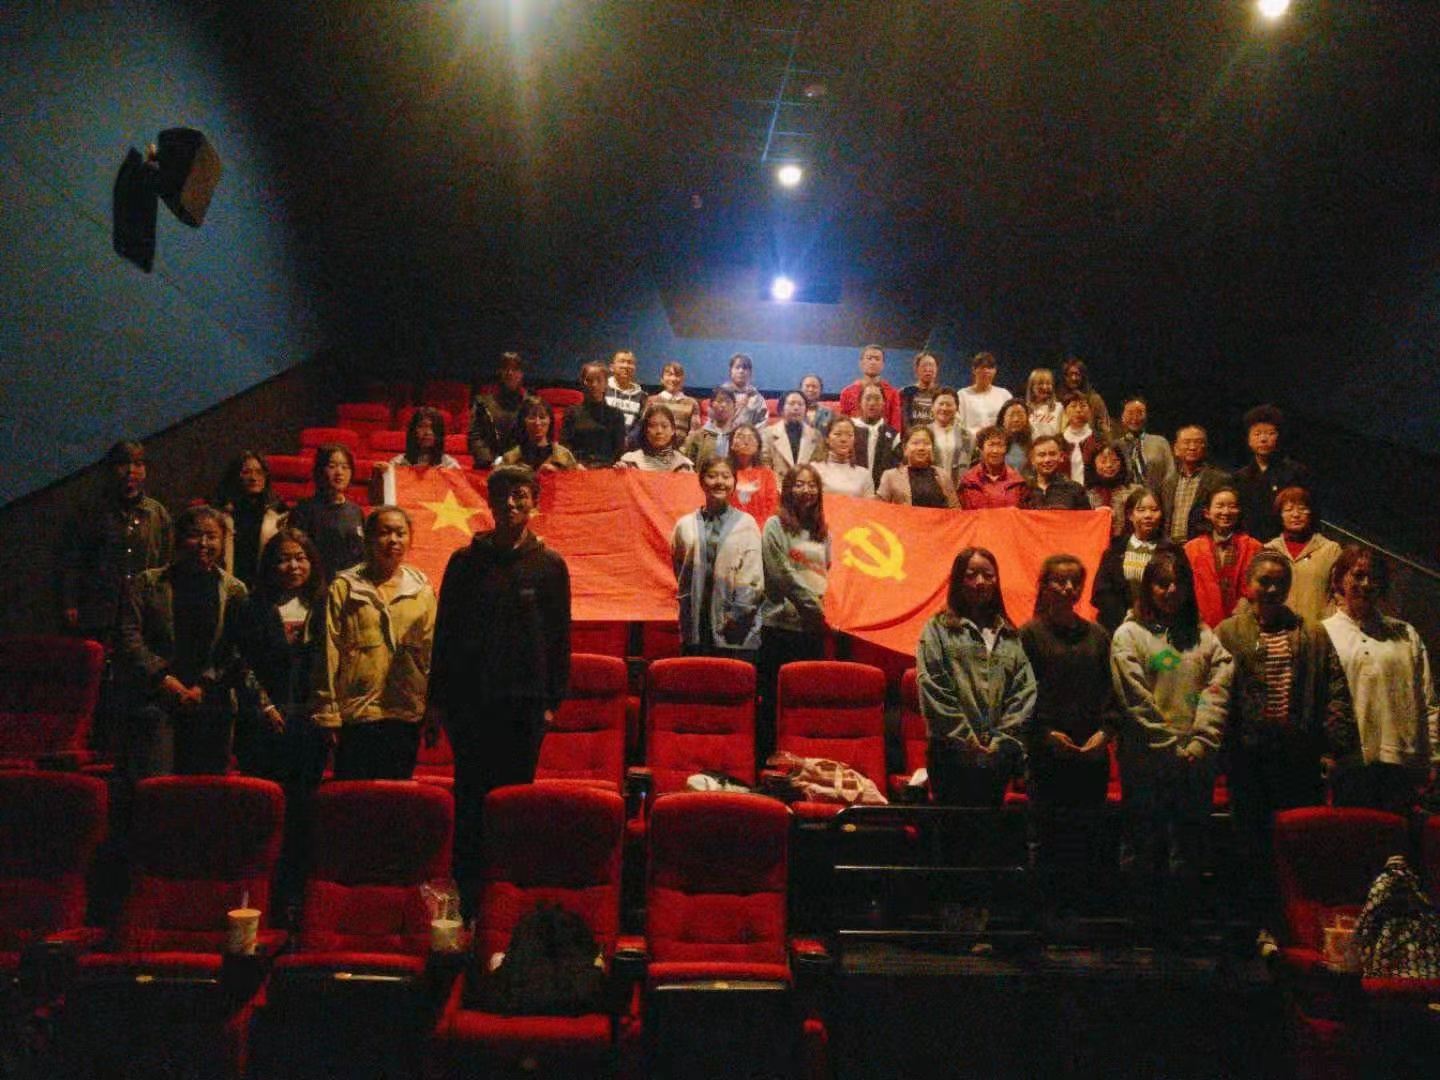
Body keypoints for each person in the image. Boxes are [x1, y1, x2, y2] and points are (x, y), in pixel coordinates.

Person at [426, 465, 570, 912]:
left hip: (523, 707)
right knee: (470, 799)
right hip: (469, 705)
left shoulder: (550, 566)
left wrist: (552, 702)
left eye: (520, 495)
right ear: (489, 502)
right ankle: (467, 903)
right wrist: (437, 702)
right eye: (503, 495)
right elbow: (445, 633)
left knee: (513, 801)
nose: (511, 503)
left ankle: (507, 901)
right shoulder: (464, 562)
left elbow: (559, 638)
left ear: (534, 503)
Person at [1215, 552, 1352, 938]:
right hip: (1248, 759)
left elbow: (1336, 692)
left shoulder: (1311, 633)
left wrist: (1332, 748)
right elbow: (1213, 694)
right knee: (1251, 844)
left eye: (1280, 582)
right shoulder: (1228, 633)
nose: (1272, 588)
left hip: (1297, 759)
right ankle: (1253, 928)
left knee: (1294, 847)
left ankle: (1292, 928)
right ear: (1248, 585)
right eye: (1264, 581)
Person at [1110, 549, 1233, 945]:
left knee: (1188, 848)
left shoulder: (1203, 636)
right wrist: (1167, 744)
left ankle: (1180, 931)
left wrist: (1200, 741)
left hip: (1195, 761)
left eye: (1178, 584)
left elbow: (1217, 689)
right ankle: (1142, 931)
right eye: (1162, 584)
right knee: (1144, 844)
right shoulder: (1129, 635)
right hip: (1146, 760)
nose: (1171, 591)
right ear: (1148, 587)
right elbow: (1135, 699)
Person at [117, 505, 270, 781]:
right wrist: (165, 679)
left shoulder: (235, 590)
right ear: (179, 539)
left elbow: (236, 648)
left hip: (212, 700)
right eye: (195, 535)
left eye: (211, 536)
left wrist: (204, 685)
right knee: (156, 786)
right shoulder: (147, 583)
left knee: (206, 790)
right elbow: (129, 637)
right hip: (156, 698)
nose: (203, 543)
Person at [234, 528, 330, 911]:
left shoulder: (325, 605)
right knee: (265, 816)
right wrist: (264, 706)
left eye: (300, 558)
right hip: (263, 727)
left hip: (310, 726)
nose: (293, 566)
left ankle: (297, 901)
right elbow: (240, 661)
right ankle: (260, 899)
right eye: (284, 559)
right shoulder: (252, 605)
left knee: (304, 814)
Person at [314, 506, 436, 781]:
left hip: (405, 715)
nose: (393, 540)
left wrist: (432, 710)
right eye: (384, 533)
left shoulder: (422, 591)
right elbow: (328, 652)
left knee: (396, 798)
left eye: (400, 533)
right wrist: (327, 712)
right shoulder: (344, 588)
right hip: (358, 715)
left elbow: (431, 654)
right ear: (368, 539)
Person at [1021, 555, 1116, 902]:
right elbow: (1022, 693)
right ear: (1044, 586)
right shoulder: (1029, 634)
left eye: (1075, 582)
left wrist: (1105, 733)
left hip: (1091, 754)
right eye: (1059, 581)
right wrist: (1045, 734)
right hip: (1046, 755)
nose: (1068, 588)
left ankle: (1082, 914)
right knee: (1048, 840)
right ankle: (1047, 914)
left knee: (1087, 839)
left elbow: (1111, 691)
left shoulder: (1098, 636)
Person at [1322, 546, 1439, 813]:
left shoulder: (1405, 634)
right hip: (1348, 764)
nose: (1366, 584)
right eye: (1358, 575)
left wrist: (1432, 756)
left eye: (1374, 578)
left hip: (1400, 761)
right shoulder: (1324, 634)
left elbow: (1427, 701)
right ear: (1340, 579)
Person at [917, 547, 1036, 806]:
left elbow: (1024, 692)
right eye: (971, 575)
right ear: (958, 580)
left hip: (997, 759)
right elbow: (933, 687)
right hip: (951, 756)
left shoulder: (1009, 635)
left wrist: (1000, 742)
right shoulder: (937, 629)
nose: (980, 582)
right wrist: (968, 741)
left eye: (988, 575)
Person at [59, 439, 172, 646]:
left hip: (144, 613)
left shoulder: (157, 514)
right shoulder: (92, 512)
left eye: (138, 464)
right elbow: (74, 560)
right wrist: (70, 602)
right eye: (123, 464)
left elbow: (166, 563)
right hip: (101, 610)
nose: (131, 471)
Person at [758, 464, 830, 763]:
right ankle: (769, 764)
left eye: (812, 485)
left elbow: (825, 573)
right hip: (778, 628)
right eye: (799, 484)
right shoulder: (774, 525)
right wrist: (815, 608)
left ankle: (803, 762)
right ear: (788, 489)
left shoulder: (822, 531)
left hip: (810, 631)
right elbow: (781, 575)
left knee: (806, 702)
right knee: (773, 701)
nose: (806, 490)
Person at [671, 455, 763, 660]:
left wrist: (735, 617)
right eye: (712, 476)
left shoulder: (747, 524)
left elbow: (753, 579)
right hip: (695, 626)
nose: (719, 482)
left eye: (726, 476)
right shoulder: (684, 525)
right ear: (701, 481)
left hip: (736, 632)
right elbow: (680, 571)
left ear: (734, 482)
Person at [1091, 488, 1178, 633]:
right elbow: (1100, 593)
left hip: (1162, 627)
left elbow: (1181, 592)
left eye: (1154, 510)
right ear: (1130, 515)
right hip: (1118, 626)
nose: (1148, 515)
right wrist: (1127, 617)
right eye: (1141, 510)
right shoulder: (1115, 549)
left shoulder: (1173, 551)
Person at [1233, 404, 1315, 542]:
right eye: (1257, 434)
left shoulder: (1296, 472)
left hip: (1287, 542)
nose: (1263, 439)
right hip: (1250, 543)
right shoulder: (1240, 477)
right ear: (1249, 440)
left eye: (1270, 433)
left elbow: (1310, 512)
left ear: (1279, 437)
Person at [1184, 486, 1262, 629]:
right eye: (1220, 506)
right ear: (1207, 513)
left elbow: (1257, 589)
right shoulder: (1191, 549)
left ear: (1239, 511)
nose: (1226, 512)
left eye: (1232, 506)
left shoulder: (1254, 547)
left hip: (1243, 626)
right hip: (1201, 626)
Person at [287, 443, 365, 582]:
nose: (339, 472)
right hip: (318, 583)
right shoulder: (303, 510)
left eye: (345, 467)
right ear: (320, 471)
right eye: (332, 466)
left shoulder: (356, 511)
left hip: (353, 583)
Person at [1262, 486, 1339, 626]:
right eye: (1288, 510)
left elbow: (1341, 595)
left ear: (1311, 513)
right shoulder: (1269, 550)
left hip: (1320, 631)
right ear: (1280, 515)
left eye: (1302, 509)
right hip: (1278, 632)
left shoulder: (1331, 550)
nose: (1296, 514)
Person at [216, 450, 287, 589]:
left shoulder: (278, 511)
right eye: (246, 472)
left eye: (259, 472)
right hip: (228, 584)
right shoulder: (220, 513)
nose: (254, 478)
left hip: (265, 585)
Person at [1160, 424, 1229, 543]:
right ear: (1176, 449)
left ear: (1205, 447)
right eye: (1186, 442)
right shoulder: (1168, 482)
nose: (1192, 447)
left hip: (1203, 545)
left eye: (1197, 442)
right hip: (1170, 546)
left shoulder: (1219, 480)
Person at [467, 351, 533, 466]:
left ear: (521, 374)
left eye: (515, 369)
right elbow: (475, 437)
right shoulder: (482, 403)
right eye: (506, 368)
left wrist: (512, 460)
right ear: (499, 372)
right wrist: (492, 462)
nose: (510, 373)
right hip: (488, 466)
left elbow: (534, 440)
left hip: (522, 466)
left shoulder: (530, 405)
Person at [561, 361, 628, 467]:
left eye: (599, 380)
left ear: (606, 384)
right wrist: (575, 464)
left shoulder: (616, 415)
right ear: (582, 383)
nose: (594, 385)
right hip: (578, 468)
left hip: (607, 469)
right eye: (589, 380)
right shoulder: (571, 413)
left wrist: (617, 464)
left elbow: (619, 450)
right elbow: (565, 446)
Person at [877, 426, 958, 508]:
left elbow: (955, 509)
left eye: (926, 443)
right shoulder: (890, 476)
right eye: (915, 443)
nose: (921, 448)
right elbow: (880, 509)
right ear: (905, 448)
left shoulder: (943, 476)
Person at [1112, 396, 1175, 494]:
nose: (1135, 417)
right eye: (1130, 413)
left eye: (1140, 412)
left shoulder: (1160, 442)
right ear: (1122, 417)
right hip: (1125, 498)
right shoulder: (1115, 446)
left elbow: (1170, 474)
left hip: (1156, 498)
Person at [499, 397, 579, 472]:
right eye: (532, 418)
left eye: (542, 417)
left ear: (550, 421)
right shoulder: (510, 458)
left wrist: (557, 474)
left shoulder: (564, 455)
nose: (537, 423)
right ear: (523, 422)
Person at [761, 390, 823, 484]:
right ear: (781, 409)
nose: (796, 408)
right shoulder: (767, 434)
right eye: (791, 404)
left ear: (806, 410)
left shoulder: (816, 435)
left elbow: (819, 467)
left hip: (807, 487)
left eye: (800, 404)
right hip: (777, 486)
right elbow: (765, 466)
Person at [838, 344, 903, 429]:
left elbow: (895, 426)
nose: (873, 362)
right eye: (869, 358)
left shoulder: (893, 393)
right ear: (861, 363)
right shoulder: (847, 393)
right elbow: (842, 424)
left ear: (883, 365)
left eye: (877, 359)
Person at [959, 426, 1025, 509]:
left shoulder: (1017, 482)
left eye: (1000, 445)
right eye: (991, 445)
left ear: (1006, 450)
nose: (995, 451)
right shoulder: (968, 481)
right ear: (981, 448)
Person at [809, 417, 875, 499]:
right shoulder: (814, 469)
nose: (844, 439)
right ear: (827, 439)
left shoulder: (864, 475)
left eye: (849, 435)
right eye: (838, 434)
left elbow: (870, 505)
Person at [727, 423, 779, 527]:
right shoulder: (724, 472)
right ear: (731, 444)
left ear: (758, 446)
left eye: (751, 437)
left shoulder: (767, 474)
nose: (746, 442)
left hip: (760, 528)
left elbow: (772, 507)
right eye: (740, 436)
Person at [1019, 435, 1091, 509]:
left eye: (1052, 454)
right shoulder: (1023, 491)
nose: (1047, 460)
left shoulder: (1075, 490)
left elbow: (1087, 516)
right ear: (1032, 460)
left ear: (1061, 457)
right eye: (1042, 455)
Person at [618, 403, 695, 472]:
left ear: (673, 430)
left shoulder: (684, 465)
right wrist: (620, 472)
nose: (659, 431)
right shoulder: (630, 461)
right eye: (653, 426)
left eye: (664, 426)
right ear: (645, 430)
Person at [853, 383, 901, 491]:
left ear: (884, 403)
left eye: (877, 399)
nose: (872, 403)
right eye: (868, 398)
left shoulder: (894, 436)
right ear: (859, 402)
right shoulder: (849, 429)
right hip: (852, 492)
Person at [1085, 442, 1140, 536]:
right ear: (1093, 464)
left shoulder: (1135, 491)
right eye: (1103, 461)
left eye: (1114, 461)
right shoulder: (1085, 494)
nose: (1109, 465)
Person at [928, 387, 974, 490]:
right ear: (932, 407)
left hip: (959, 491)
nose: (944, 408)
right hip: (929, 491)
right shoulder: (922, 433)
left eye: (949, 405)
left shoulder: (968, 437)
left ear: (957, 408)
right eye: (941, 404)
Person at [386, 407, 462, 469]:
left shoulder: (450, 465)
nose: (428, 432)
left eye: (433, 427)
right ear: (413, 431)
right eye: (422, 426)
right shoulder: (398, 463)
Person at [958, 351, 1012, 437]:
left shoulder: (1004, 395)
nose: (986, 371)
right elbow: (959, 425)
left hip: (998, 441)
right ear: (974, 370)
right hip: (971, 441)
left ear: (995, 371)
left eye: (990, 368)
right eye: (982, 367)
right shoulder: (962, 395)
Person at [645, 361, 702, 442]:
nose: (673, 379)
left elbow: (694, 433)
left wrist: (684, 448)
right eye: (669, 375)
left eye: (677, 375)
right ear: (662, 379)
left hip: (682, 448)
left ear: (683, 380)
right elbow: (645, 429)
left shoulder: (692, 403)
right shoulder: (651, 401)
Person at [681, 386, 738, 464]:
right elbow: (688, 465)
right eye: (720, 401)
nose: (723, 405)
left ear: (734, 407)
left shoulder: (738, 435)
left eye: (728, 401)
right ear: (711, 405)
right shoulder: (698, 436)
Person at [1060, 357, 1111, 439]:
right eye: (1070, 374)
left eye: (1077, 374)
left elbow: (1105, 427)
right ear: (1065, 377)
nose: (1074, 378)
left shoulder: (1094, 399)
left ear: (1083, 376)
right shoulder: (1058, 400)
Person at [1058, 393, 1101, 486]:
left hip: (1092, 491)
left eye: (1083, 406)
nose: (1078, 410)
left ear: (1090, 411)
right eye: (1073, 406)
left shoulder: (1100, 440)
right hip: (1064, 491)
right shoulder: (1058, 441)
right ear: (1065, 411)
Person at [721, 353, 769, 429]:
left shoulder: (756, 397)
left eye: (745, 368)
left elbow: (762, 422)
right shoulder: (720, 394)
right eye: (737, 367)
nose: (741, 371)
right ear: (730, 371)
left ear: (750, 373)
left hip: (748, 435)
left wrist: (749, 433)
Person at [605, 349, 647, 434]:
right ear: (611, 367)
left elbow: (640, 424)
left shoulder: (642, 397)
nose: (626, 366)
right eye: (622, 361)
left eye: (630, 362)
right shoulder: (602, 389)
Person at [900, 351, 942, 430]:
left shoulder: (942, 394)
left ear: (937, 369)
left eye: (931, 365)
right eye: (924, 365)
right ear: (916, 369)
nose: (928, 369)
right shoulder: (905, 393)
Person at [1024, 368, 1063, 438]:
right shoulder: (1025, 409)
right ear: (1032, 387)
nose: (1045, 387)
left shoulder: (1059, 407)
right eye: (1040, 384)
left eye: (1048, 384)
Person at [998, 399, 1033, 474]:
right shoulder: (993, 444)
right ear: (1002, 419)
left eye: (1020, 415)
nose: (1016, 419)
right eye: (1011, 415)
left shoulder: (1034, 443)